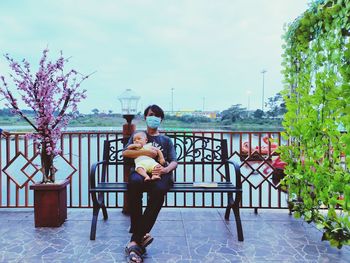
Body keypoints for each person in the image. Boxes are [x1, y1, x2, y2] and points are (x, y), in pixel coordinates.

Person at [123, 105, 178, 263]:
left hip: (160, 173)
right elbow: (127, 154)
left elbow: (174, 161)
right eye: (150, 115)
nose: (153, 118)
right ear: (145, 117)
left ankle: (135, 239)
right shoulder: (138, 136)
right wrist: (147, 152)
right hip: (140, 171)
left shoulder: (166, 140)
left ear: (161, 119)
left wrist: (166, 170)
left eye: (157, 116)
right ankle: (142, 235)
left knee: (159, 190)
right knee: (134, 183)